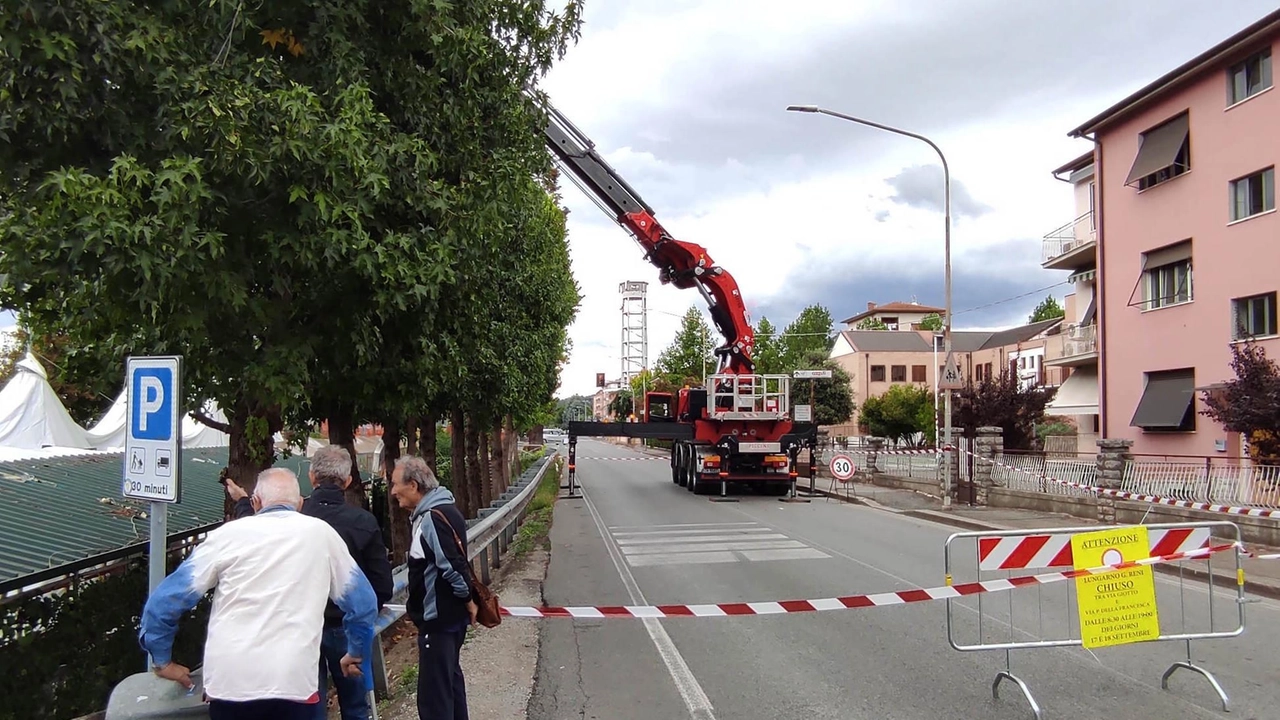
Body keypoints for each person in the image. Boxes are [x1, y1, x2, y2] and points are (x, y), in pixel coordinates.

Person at [140, 468, 378, 720]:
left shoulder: (225, 537)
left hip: (229, 682)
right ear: (299, 504)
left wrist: (163, 660)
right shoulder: (321, 534)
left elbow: (165, 601)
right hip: (293, 681)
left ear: (255, 502)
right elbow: (363, 605)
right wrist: (355, 651)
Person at [227, 446, 394, 720]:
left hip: (298, 627)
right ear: (349, 480)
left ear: (311, 475)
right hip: (346, 627)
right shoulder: (363, 522)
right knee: (355, 706)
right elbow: (381, 585)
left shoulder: (295, 520)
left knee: (308, 705)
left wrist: (244, 502)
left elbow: (258, 535)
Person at [389, 455, 477, 720]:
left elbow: (452, 565)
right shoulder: (444, 509)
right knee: (449, 685)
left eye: (395, 485)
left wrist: (468, 599)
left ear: (414, 485)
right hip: (448, 620)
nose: (393, 491)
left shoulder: (431, 518)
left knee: (434, 700)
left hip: (439, 621)